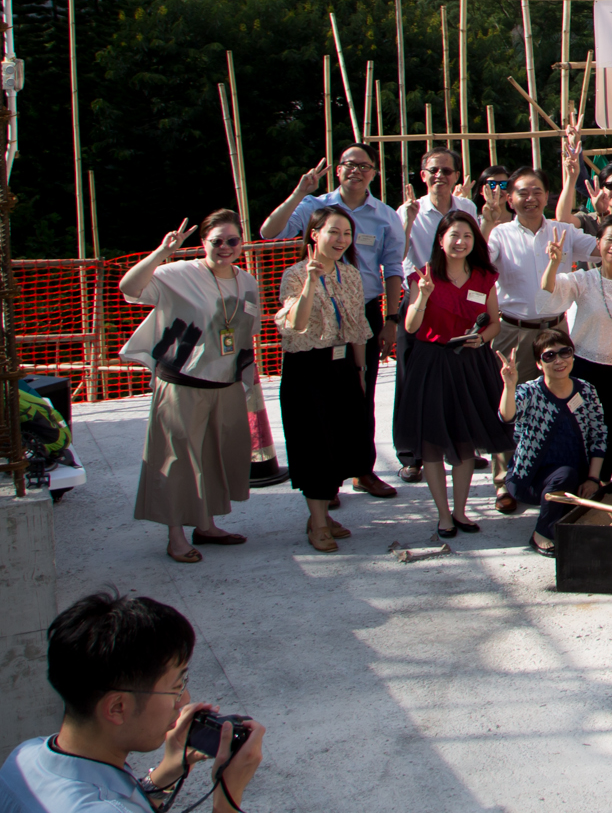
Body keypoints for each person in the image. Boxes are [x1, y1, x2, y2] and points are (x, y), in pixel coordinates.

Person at [1, 591, 264, 813]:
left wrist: (167, 772)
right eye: (176, 686)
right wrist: (228, 796)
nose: (184, 699)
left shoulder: (25, 756)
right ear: (117, 707)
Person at [262, 146, 404, 500]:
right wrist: (299, 193)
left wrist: (390, 319)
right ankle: (327, 478)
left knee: (360, 394)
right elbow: (269, 232)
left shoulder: (386, 216)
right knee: (319, 400)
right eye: (349, 165)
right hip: (315, 311)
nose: (356, 171)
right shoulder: (314, 207)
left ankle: (362, 468)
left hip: (362, 312)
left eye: (364, 166)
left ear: (374, 172)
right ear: (338, 170)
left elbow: (394, 269)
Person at [118, 214, 260, 564]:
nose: (225, 248)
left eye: (232, 241)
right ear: (204, 243)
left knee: (214, 457)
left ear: (242, 243)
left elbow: (246, 333)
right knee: (178, 460)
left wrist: (247, 380)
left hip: (225, 383)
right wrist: (160, 254)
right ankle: (175, 535)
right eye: (217, 241)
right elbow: (129, 290)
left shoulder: (247, 281)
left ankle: (206, 525)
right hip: (182, 383)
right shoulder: (178, 273)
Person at [485, 161, 597, 513]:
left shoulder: (563, 231)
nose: (531, 198)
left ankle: (550, 474)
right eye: (523, 192)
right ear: (509, 199)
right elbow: (482, 266)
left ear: (548, 195)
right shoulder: (498, 234)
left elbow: (605, 247)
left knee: (558, 402)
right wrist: (487, 223)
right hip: (513, 330)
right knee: (508, 404)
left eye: (537, 191)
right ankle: (504, 482)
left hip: (554, 331)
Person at [393, 211, 509, 537]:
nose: (461, 242)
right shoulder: (422, 278)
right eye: (454, 235)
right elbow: (412, 327)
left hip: (470, 363)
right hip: (432, 364)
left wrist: (481, 339)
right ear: (441, 240)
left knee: (465, 442)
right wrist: (424, 296)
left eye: (468, 236)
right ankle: (443, 514)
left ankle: (460, 511)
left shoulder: (485, 277)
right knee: (432, 443)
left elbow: (495, 322)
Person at [276, 205, 374, 554]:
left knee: (343, 440)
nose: (341, 240)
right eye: (334, 232)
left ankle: (322, 514)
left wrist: (360, 372)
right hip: (308, 368)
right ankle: (318, 523)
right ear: (315, 234)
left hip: (342, 365)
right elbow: (295, 324)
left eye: (346, 234)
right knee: (314, 444)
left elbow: (359, 326)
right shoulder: (295, 275)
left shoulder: (350, 275)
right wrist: (311, 283)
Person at [539, 214, 612, 484]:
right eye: (609, 239)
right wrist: (553, 265)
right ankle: (571, 484)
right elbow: (549, 291)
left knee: (611, 432)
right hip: (584, 367)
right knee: (578, 428)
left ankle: (599, 485)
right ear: (598, 243)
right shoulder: (582, 279)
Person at [496, 328, 608, 555]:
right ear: (539, 363)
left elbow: (599, 435)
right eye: (550, 356)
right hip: (529, 479)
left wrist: (594, 479)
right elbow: (507, 416)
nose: (559, 360)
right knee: (564, 475)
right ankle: (541, 534)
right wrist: (509, 385)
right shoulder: (529, 392)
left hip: (574, 477)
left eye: (565, 353)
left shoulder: (587, 391)